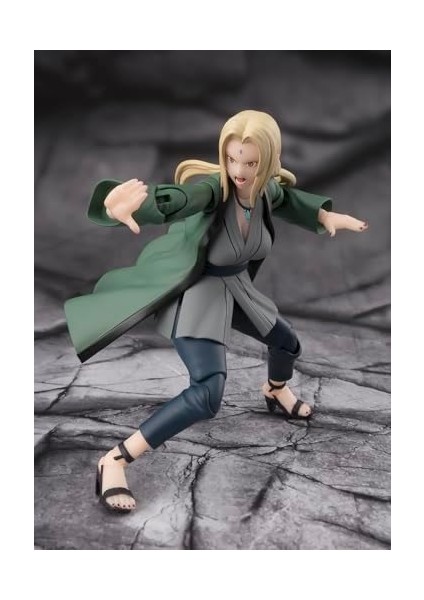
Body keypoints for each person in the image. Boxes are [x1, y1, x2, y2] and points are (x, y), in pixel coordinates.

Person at [65, 110, 368, 514]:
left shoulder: (265, 192)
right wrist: (125, 208)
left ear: (267, 162)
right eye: (232, 159)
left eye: (250, 162)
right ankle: (115, 459)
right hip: (201, 294)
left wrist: (326, 216)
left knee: (287, 343)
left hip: (237, 289)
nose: (239, 171)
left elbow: (290, 200)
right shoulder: (214, 191)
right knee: (207, 393)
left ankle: (275, 390)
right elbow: (177, 200)